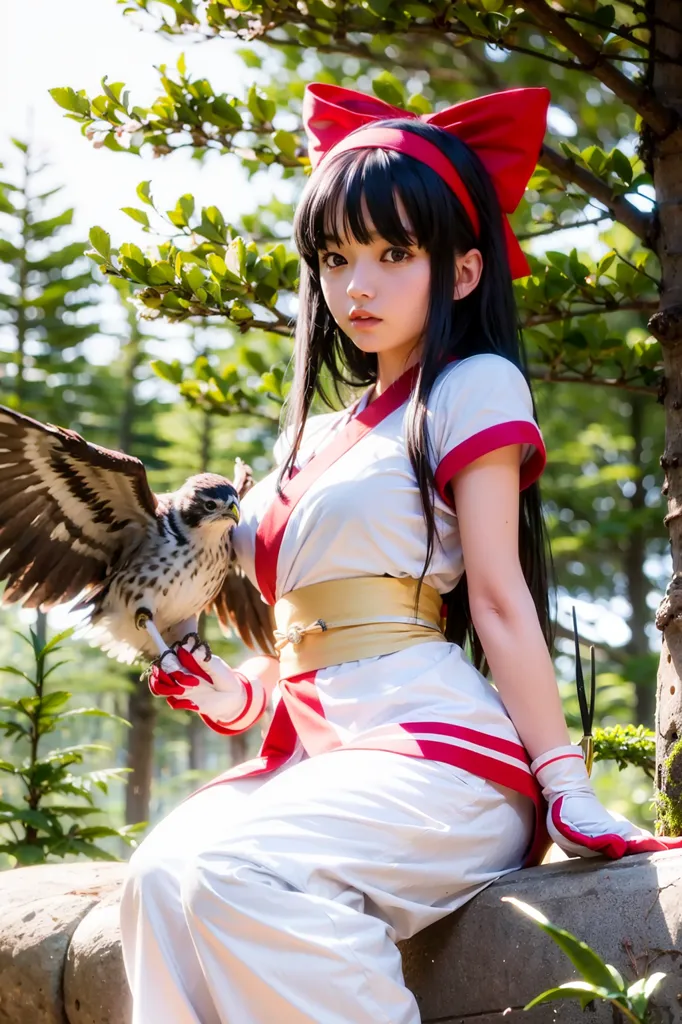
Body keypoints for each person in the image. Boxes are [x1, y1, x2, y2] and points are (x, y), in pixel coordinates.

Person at [119, 82, 682, 1024]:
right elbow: (310, 630)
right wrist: (238, 691)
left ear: (463, 272)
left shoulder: (472, 387)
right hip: (321, 753)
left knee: (229, 870)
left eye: (394, 253)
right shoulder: (313, 441)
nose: (358, 286)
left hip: (440, 757)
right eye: (336, 258)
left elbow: (497, 600)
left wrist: (567, 784)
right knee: (156, 880)